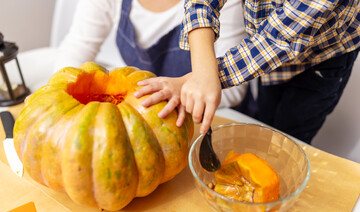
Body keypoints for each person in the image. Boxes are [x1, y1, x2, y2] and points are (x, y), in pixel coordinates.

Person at [135, 0, 360, 144]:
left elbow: (277, 39)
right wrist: (202, 71)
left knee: (291, 137)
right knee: (266, 122)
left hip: (320, 61)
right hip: (267, 58)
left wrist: (201, 78)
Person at [54, 0, 248, 109]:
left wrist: (177, 93)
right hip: (141, 108)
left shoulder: (221, 4)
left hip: (209, 115)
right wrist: (59, 95)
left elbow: (234, 90)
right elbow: (77, 48)